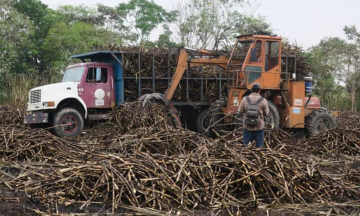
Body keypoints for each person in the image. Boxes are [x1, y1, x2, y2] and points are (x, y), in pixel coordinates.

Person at [238, 83, 269, 148]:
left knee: (246, 147)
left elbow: (239, 111)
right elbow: (266, 113)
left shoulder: (245, 99)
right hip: (259, 127)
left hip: (247, 126)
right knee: (259, 147)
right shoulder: (263, 100)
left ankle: (245, 157)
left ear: (251, 90)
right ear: (259, 91)